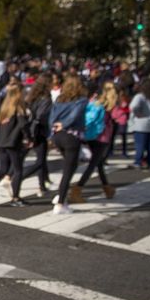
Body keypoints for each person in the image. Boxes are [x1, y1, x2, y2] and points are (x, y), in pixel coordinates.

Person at [49, 76, 88, 214]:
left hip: (57, 136)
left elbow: (52, 117)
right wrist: (65, 124)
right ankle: (60, 203)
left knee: (70, 166)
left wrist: (52, 132)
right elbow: (75, 116)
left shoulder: (60, 99)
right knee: (68, 169)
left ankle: (61, 194)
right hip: (71, 136)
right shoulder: (81, 100)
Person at [73, 81, 117, 201]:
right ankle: (77, 189)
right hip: (102, 137)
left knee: (99, 163)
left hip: (91, 136)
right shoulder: (107, 106)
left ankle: (107, 188)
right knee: (93, 164)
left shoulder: (93, 102)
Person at [22, 74, 53, 196]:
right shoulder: (46, 99)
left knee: (39, 158)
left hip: (30, 130)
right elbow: (42, 117)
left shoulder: (30, 97)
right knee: (40, 160)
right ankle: (19, 178)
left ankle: (43, 182)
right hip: (39, 131)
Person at [128, 78, 150, 171]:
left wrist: (137, 113)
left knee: (140, 145)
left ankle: (138, 162)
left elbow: (133, 106)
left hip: (141, 124)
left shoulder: (140, 96)